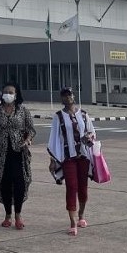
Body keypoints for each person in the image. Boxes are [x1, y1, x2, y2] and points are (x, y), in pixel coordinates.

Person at [0, 84, 35, 230]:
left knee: (20, 183)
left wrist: (27, 140)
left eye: (10, 92)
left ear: (16, 95)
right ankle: (8, 214)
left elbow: (31, 129)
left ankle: (18, 215)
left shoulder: (23, 111)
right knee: (4, 183)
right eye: (5, 92)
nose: (7, 95)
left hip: (19, 152)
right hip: (1, 153)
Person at [47, 87, 96, 236]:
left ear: (74, 96)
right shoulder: (58, 117)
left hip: (83, 156)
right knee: (71, 187)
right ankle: (72, 222)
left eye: (70, 95)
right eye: (64, 96)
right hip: (68, 158)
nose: (68, 98)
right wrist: (53, 160)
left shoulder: (83, 114)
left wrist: (89, 138)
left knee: (83, 188)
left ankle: (81, 215)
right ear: (61, 99)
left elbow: (92, 132)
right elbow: (54, 139)